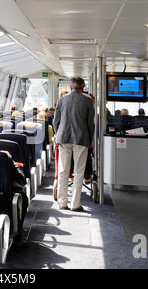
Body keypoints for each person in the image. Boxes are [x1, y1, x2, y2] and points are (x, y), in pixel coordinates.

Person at [53, 77, 95, 211]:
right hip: (81, 139)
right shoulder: (88, 101)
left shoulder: (62, 100)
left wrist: (58, 134)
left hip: (63, 138)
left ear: (71, 87)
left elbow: (56, 121)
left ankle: (62, 202)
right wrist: (90, 139)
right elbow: (90, 123)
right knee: (79, 171)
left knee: (63, 170)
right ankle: (75, 204)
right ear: (83, 88)